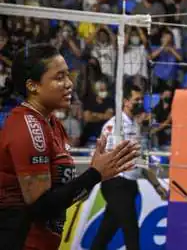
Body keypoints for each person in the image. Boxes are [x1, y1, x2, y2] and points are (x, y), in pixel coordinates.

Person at [0, 44, 139, 250]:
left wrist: (97, 174)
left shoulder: (53, 124)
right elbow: (41, 207)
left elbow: (64, 196)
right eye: (59, 77)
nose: (69, 84)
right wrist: (94, 175)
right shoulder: (28, 126)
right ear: (33, 86)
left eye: (68, 75)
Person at [91, 83, 168, 250]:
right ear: (125, 101)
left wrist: (156, 185)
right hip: (116, 183)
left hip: (130, 185)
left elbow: (140, 160)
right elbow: (100, 156)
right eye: (136, 99)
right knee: (131, 231)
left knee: (105, 233)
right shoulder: (114, 126)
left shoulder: (135, 125)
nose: (140, 102)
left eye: (141, 99)